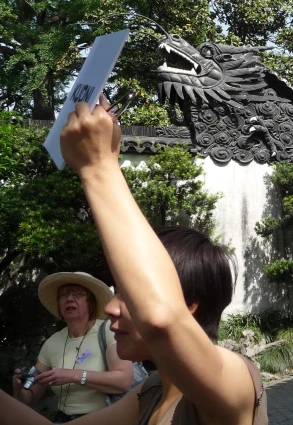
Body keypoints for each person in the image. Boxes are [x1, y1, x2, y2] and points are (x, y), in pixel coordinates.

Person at [0, 99, 267, 425]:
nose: (110, 308)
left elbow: (162, 318)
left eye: (128, 295)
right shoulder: (151, 392)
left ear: (190, 305)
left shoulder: (236, 378)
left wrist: (98, 165)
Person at [12, 272, 134, 422]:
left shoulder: (109, 330)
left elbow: (124, 381)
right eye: (63, 295)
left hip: (106, 419)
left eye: (78, 294)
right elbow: (29, 400)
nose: (69, 298)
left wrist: (72, 375)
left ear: (91, 303)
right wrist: (19, 389)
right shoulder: (51, 343)